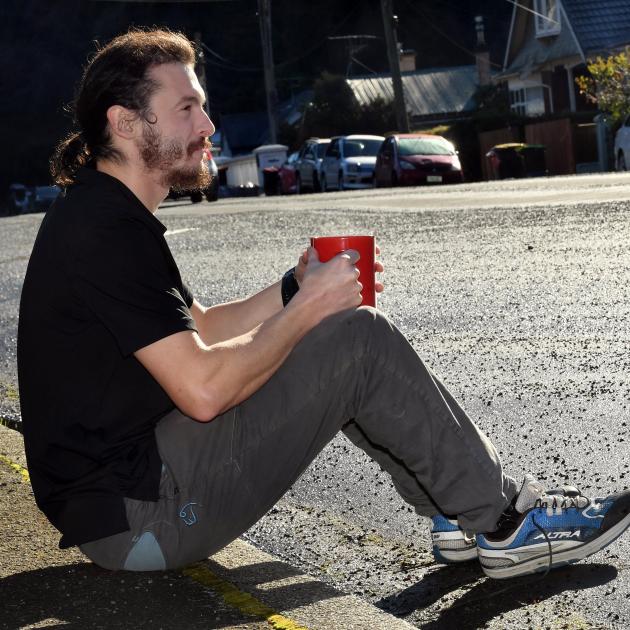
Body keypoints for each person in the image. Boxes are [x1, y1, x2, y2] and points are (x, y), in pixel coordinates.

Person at [17, 28, 629, 580]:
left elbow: (196, 328)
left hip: (128, 492)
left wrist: (293, 289)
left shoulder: (102, 213)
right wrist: (309, 309)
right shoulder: (104, 231)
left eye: (202, 105)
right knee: (354, 339)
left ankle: (458, 508)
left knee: (333, 332)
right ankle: (503, 523)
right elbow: (202, 388)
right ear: (125, 123)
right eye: (187, 108)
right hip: (142, 517)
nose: (208, 126)